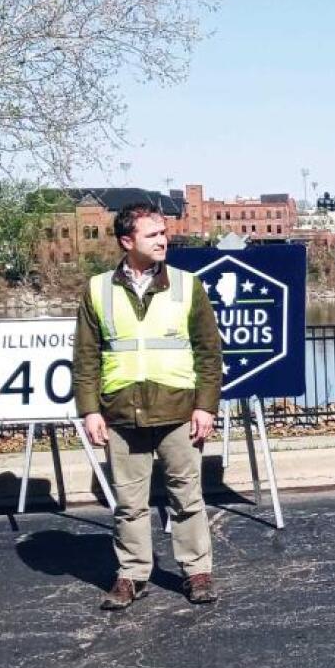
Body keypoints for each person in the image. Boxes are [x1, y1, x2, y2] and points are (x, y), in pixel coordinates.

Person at [73, 202, 224, 610]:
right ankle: (131, 575)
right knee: (129, 503)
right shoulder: (98, 289)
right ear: (127, 241)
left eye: (163, 233)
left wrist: (206, 406)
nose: (163, 241)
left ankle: (197, 572)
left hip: (179, 410)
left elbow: (209, 352)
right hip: (121, 413)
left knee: (187, 497)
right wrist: (90, 410)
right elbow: (86, 357)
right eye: (152, 234)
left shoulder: (187, 285)